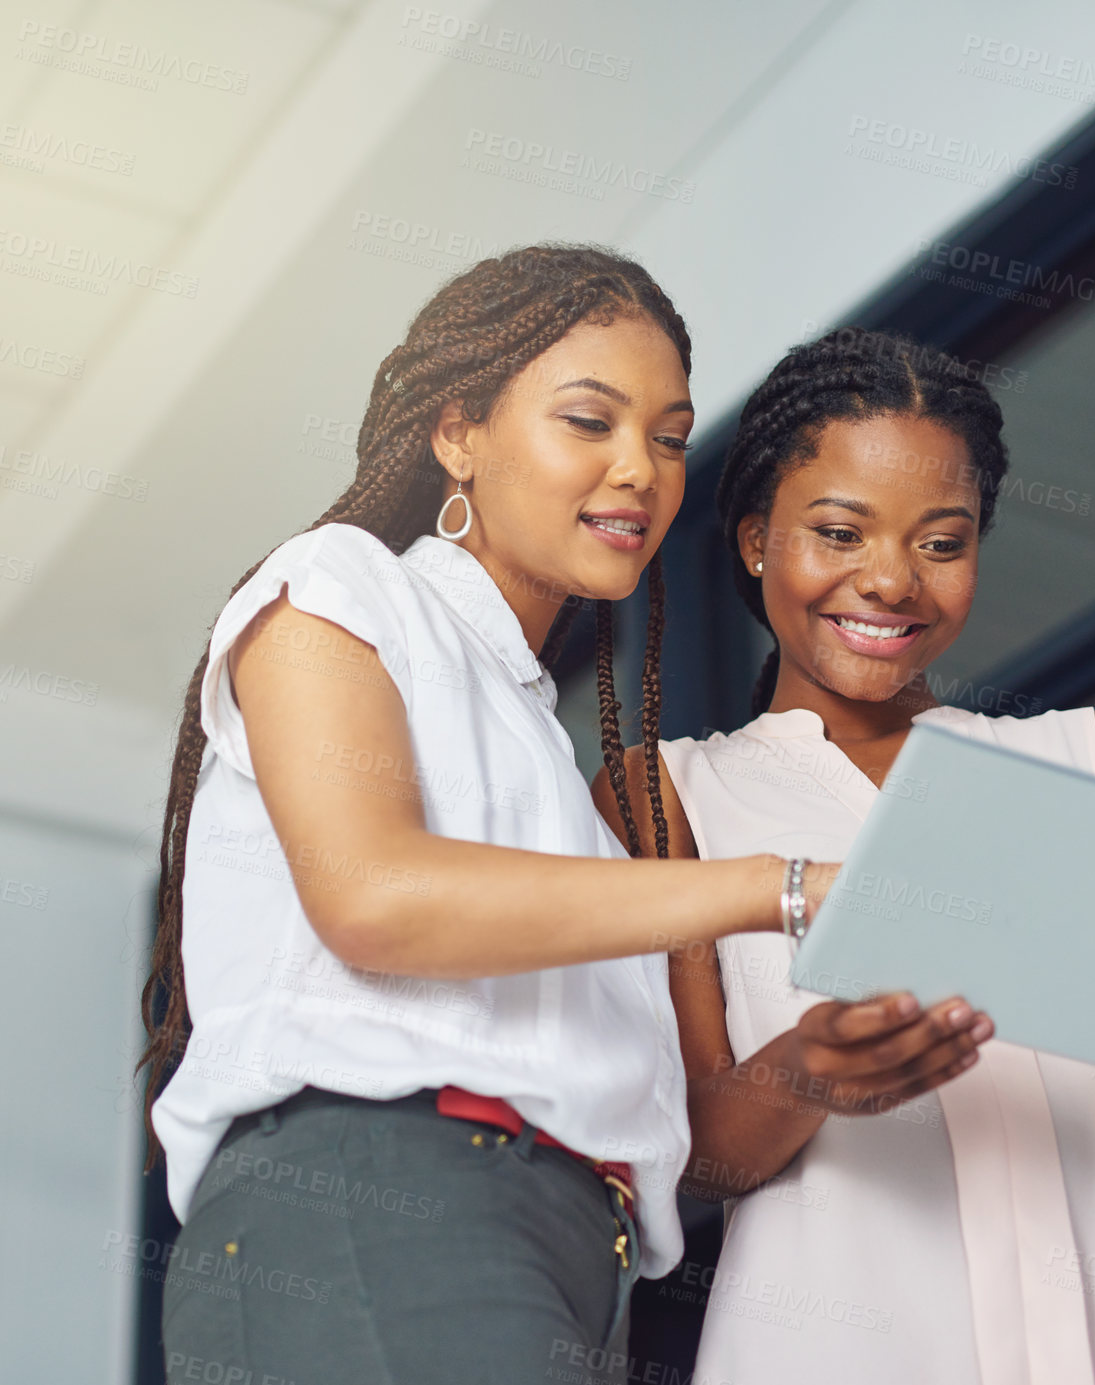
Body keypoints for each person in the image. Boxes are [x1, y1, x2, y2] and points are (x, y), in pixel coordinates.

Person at [139, 246, 842, 1385]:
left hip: (573, 1260)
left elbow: (668, 1126)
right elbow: (374, 895)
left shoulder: (555, 779)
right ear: (457, 430)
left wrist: (820, 1058)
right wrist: (783, 884)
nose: (643, 470)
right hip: (390, 1199)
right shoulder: (339, 585)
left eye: (668, 437)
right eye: (589, 420)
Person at [594, 327, 1095, 1384]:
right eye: (838, 530)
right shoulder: (667, 796)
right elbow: (690, 1154)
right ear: (752, 541)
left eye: (942, 541)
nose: (891, 580)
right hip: (845, 1341)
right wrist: (810, 1069)